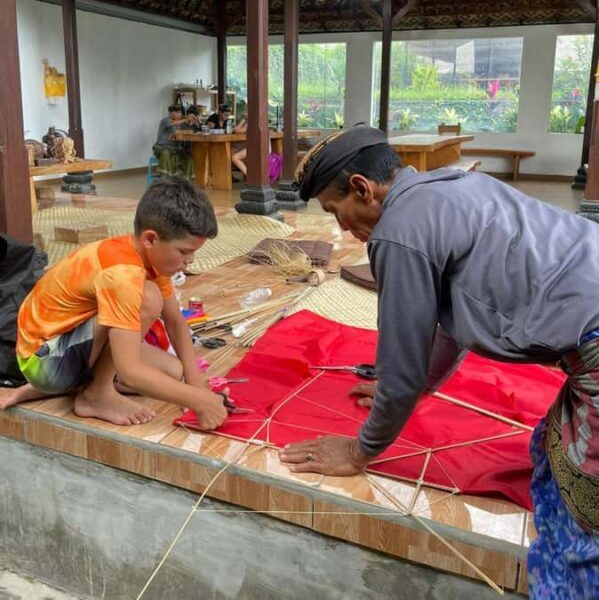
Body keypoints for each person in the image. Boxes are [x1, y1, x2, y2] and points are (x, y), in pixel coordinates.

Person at [279, 125, 599, 599]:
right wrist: (419, 384)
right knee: (551, 452)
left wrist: (360, 451)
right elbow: (448, 318)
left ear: (362, 188)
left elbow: (401, 362)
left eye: (333, 210)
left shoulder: (398, 231)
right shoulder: (454, 184)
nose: (342, 228)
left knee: (585, 517)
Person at [0, 177, 227, 431]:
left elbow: (175, 322)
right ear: (150, 239)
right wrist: (199, 401)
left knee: (174, 371)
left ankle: (78, 386)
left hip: (66, 348)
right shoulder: (122, 274)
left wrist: (194, 384)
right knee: (149, 298)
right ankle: (96, 394)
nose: (190, 260)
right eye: (184, 251)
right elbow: (130, 371)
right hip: (45, 358)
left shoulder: (149, 257)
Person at [153, 105, 194, 180]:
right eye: (173, 112)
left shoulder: (182, 122)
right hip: (161, 148)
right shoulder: (165, 120)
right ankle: (165, 178)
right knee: (166, 152)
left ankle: (187, 179)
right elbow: (172, 123)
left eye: (179, 112)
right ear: (170, 113)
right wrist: (186, 119)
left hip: (176, 149)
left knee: (188, 157)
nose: (178, 114)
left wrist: (191, 123)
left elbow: (189, 131)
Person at [207, 105, 248, 178]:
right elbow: (209, 129)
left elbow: (235, 130)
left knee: (229, 152)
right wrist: (243, 120)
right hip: (211, 143)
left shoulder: (228, 121)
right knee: (227, 152)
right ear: (220, 113)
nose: (227, 117)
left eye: (228, 115)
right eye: (225, 115)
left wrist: (243, 120)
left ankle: (228, 175)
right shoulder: (213, 118)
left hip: (225, 142)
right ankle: (225, 175)